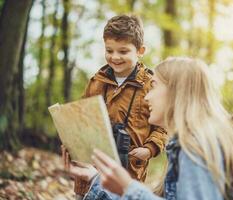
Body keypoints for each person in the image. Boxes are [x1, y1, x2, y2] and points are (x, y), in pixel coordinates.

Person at [66, 57, 233, 200]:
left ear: (176, 93)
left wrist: (127, 188)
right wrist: (95, 178)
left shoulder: (196, 146)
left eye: (153, 86)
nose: (147, 97)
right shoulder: (195, 141)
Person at [62, 14, 168, 199]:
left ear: (140, 50)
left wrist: (149, 149)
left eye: (123, 51)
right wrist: (73, 140)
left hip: (127, 171)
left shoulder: (151, 86)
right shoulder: (96, 81)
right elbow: (80, 117)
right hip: (92, 165)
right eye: (109, 50)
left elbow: (162, 127)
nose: (115, 57)